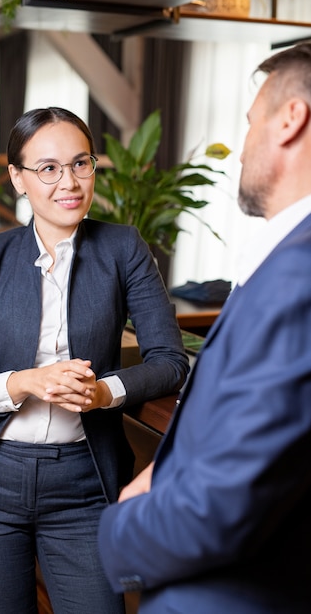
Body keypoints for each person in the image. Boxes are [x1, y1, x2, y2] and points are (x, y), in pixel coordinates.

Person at [0, 106, 189, 614]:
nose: (68, 182)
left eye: (81, 163)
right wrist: (27, 381)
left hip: (86, 486)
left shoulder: (124, 249)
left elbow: (170, 361)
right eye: (47, 168)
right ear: (17, 179)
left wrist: (102, 393)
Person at [98, 41, 311, 614]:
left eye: (249, 123)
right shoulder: (286, 255)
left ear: (291, 119)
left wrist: (118, 526)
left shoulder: (300, 274)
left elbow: (226, 501)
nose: (241, 150)